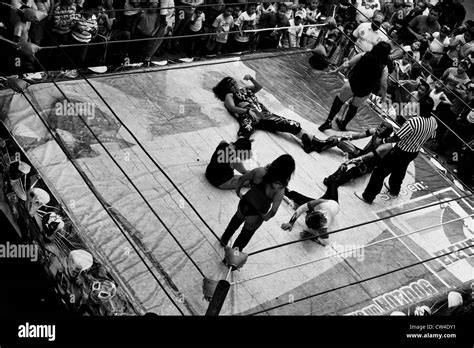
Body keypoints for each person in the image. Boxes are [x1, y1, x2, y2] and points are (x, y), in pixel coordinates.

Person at [355, 97, 437, 204]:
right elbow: (431, 137)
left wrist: (384, 140)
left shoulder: (414, 121)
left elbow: (397, 137)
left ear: (419, 107)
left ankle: (368, 196)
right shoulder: (433, 121)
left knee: (380, 171)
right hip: (414, 151)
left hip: (401, 151)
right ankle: (394, 190)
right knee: (400, 170)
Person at [212, 75, 319, 152]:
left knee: (291, 123)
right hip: (249, 114)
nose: (234, 84)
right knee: (246, 130)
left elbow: (259, 87)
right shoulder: (229, 95)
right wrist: (247, 111)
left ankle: (312, 141)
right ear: (226, 87)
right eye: (231, 84)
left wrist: (251, 79)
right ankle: (237, 147)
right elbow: (231, 107)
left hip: (264, 113)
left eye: (234, 82)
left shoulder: (245, 89)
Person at [221, 154, 295, 251]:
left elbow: (241, 179)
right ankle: (231, 259)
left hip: (244, 204)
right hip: (256, 214)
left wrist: (238, 192)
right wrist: (266, 217)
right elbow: (273, 210)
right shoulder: (279, 189)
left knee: (233, 224)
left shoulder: (260, 171)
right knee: (243, 239)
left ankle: (223, 240)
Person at [319, 41, 391, 132]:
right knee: (353, 107)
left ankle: (328, 121)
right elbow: (383, 84)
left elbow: (348, 63)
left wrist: (337, 70)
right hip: (365, 90)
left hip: (352, 83)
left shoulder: (364, 55)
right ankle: (343, 124)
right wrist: (384, 96)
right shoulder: (384, 67)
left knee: (339, 101)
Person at [305, 121, 393, 156]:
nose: (378, 127)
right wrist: (345, 137)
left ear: (386, 133)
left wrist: (359, 160)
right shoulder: (374, 131)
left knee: (338, 140)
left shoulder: (386, 145)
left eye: (382, 128)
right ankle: (318, 146)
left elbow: (376, 158)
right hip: (360, 153)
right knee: (336, 138)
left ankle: (317, 146)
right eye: (380, 125)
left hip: (365, 159)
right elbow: (359, 135)